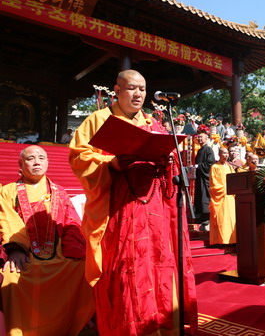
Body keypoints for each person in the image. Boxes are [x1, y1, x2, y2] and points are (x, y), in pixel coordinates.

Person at [69, 70, 197, 335]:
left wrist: (167, 160)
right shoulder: (98, 120)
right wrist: (111, 163)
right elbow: (79, 158)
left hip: (155, 210)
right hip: (118, 211)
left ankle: (162, 326)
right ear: (117, 90)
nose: (138, 94)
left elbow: (168, 157)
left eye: (142, 89)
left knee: (158, 266)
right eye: (131, 88)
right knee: (127, 272)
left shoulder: (153, 123)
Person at [0, 145, 94, 335]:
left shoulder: (59, 192)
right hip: (24, 253)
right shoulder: (7, 191)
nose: (37, 162)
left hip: (58, 252)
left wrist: (76, 249)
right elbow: (7, 219)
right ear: (20, 164)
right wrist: (16, 248)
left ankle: (70, 326)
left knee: (84, 271)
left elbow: (72, 222)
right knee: (10, 277)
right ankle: (20, 330)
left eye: (41, 158)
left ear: (48, 163)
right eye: (30, 158)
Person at [209, 148, 236, 245]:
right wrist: (225, 188)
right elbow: (213, 184)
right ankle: (220, 240)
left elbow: (234, 180)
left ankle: (232, 240)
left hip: (230, 196)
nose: (226, 155)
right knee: (222, 218)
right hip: (221, 196)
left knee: (232, 218)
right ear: (219, 154)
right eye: (224, 153)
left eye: (227, 153)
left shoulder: (230, 167)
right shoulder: (214, 167)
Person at [194, 125, 216, 230]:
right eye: (198, 137)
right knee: (199, 195)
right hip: (199, 177)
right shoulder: (199, 150)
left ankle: (206, 217)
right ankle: (201, 216)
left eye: (201, 137)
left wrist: (199, 166)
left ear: (206, 138)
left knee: (205, 196)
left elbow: (210, 163)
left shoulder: (208, 150)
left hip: (205, 177)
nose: (198, 138)